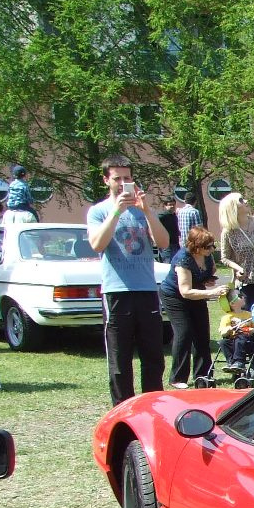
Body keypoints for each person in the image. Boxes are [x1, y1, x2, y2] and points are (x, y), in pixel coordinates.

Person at [86, 153, 169, 404]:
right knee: (120, 359)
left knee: (153, 356)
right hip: (117, 291)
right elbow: (97, 244)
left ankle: (152, 406)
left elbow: (164, 242)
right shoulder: (98, 211)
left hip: (145, 289)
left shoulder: (142, 210)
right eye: (117, 178)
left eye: (128, 178)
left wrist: (147, 212)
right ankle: (121, 409)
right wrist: (116, 211)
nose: (123, 183)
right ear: (106, 181)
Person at [160, 224, 225, 387]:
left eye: (212, 245)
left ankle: (203, 375)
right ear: (196, 247)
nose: (212, 249)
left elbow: (209, 272)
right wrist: (212, 292)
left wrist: (206, 280)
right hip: (175, 297)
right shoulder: (183, 259)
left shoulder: (208, 256)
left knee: (202, 333)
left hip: (197, 293)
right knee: (184, 332)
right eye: (208, 247)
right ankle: (178, 378)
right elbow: (185, 291)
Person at [157, 197, 181, 261]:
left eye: (174, 204)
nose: (172, 206)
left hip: (175, 244)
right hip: (166, 246)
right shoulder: (162, 216)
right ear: (165, 205)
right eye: (170, 205)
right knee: (168, 264)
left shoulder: (174, 216)